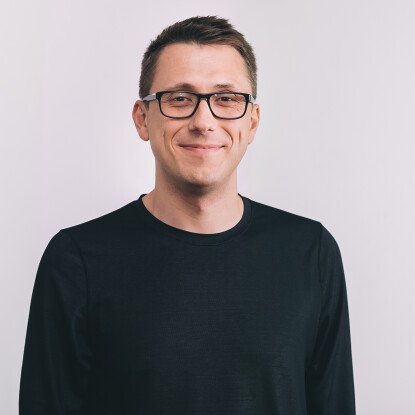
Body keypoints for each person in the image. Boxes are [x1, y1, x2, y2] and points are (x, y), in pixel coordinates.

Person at [19, 15, 356, 415]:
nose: (203, 121)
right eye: (179, 98)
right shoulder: (76, 261)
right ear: (143, 119)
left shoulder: (310, 253)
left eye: (226, 99)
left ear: (252, 121)